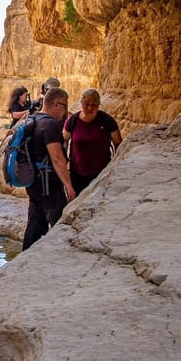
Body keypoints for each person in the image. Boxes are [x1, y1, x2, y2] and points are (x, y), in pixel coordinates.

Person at [22, 87, 76, 251]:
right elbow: (57, 159)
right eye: (64, 106)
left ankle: (25, 260)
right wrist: (68, 186)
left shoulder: (33, 119)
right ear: (56, 104)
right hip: (48, 185)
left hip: (33, 182)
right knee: (60, 222)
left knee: (35, 223)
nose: (65, 111)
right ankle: (65, 256)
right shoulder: (50, 124)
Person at [63, 88, 122, 194]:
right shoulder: (73, 121)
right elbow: (64, 140)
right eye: (86, 104)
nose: (90, 107)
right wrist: (64, 163)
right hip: (77, 175)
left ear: (98, 105)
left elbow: (118, 142)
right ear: (81, 104)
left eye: (93, 104)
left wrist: (116, 165)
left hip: (101, 174)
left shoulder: (106, 120)